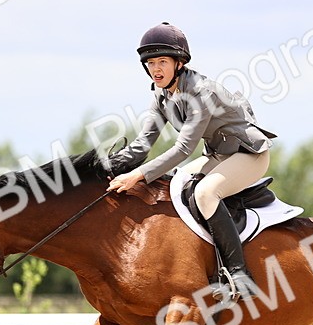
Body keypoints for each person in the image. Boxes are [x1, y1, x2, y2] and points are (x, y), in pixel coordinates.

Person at [108, 22, 276, 304]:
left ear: (179, 62)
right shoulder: (161, 95)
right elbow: (143, 144)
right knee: (173, 185)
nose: (156, 69)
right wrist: (109, 168)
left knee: (205, 193)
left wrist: (137, 175)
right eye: (150, 63)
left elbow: (184, 148)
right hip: (219, 155)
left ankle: (239, 274)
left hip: (249, 155)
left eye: (162, 61)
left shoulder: (201, 92)